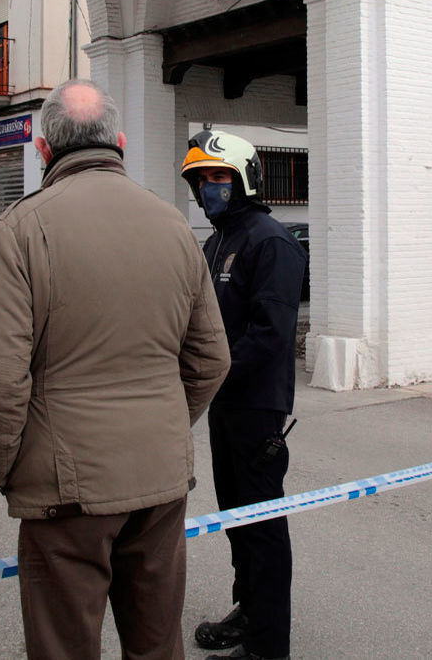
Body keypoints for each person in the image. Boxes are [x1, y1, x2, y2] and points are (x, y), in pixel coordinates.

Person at [0, 79, 231, 660]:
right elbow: (211, 357)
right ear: (120, 142)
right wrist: (160, 423)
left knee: (65, 646)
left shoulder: (21, 228)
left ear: (42, 151)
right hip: (158, 480)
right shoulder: (175, 226)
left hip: (67, 490)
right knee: (158, 643)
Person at [182, 129, 307, 660]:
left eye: (219, 177)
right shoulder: (216, 242)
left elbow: (270, 334)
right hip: (225, 406)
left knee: (261, 525)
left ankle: (267, 644)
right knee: (236, 517)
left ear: (244, 179)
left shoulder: (270, 240)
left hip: (257, 409)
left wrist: (212, 372)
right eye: (203, 180)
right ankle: (249, 608)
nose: (211, 188)